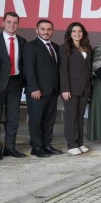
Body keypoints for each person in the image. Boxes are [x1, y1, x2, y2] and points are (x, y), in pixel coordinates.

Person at [0, 11, 26, 159]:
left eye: (15, 23)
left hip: (16, 83)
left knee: (13, 118)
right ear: (3, 22)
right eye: (9, 22)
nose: (12, 25)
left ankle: (10, 148)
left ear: (18, 25)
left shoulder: (22, 41)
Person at [23, 19, 62, 158]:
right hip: (37, 91)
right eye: (43, 29)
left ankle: (47, 144)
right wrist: (34, 88)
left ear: (53, 31)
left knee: (49, 120)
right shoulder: (30, 46)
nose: (46, 32)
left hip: (52, 90)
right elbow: (28, 69)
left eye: (49, 29)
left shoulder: (55, 46)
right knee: (36, 120)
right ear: (37, 30)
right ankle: (36, 147)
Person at [58, 22, 93, 156]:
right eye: (74, 31)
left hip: (85, 87)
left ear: (83, 33)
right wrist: (65, 89)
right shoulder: (64, 48)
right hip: (71, 88)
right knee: (71, 116)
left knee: (80, 116)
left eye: (79, 31)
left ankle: (79, 142)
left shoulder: (87, 48)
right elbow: (63, 70)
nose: (77, 33)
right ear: (69, 33)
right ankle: (71, 144)